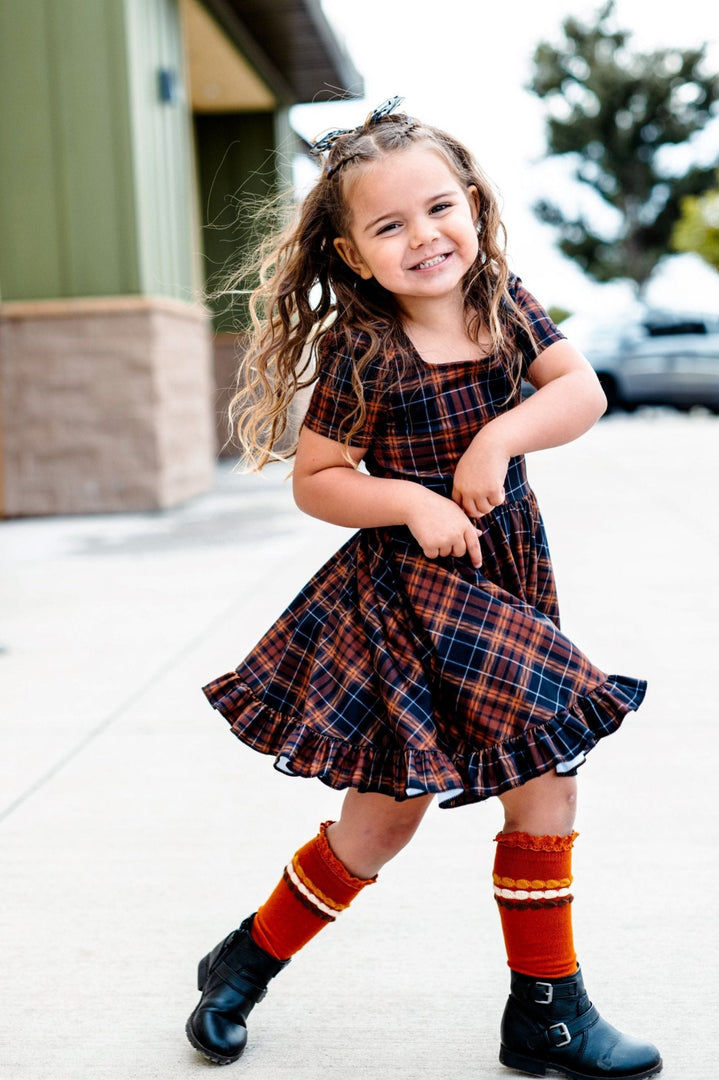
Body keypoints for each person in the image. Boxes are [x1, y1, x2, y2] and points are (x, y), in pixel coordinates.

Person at [185, 98, 662, 1079]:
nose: (423, 237)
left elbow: (581, 392)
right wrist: (407, 499)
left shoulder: (504, 303)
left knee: (547, 779)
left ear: (476, 207)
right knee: (381, 823)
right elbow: (319, 480)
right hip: (408, 603)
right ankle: (248, 958)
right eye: (389, 225)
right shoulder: (366, 351)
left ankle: (547, 1012)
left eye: (438, 208)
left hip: (506, 584)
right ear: (356, 255)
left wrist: (500, 435)